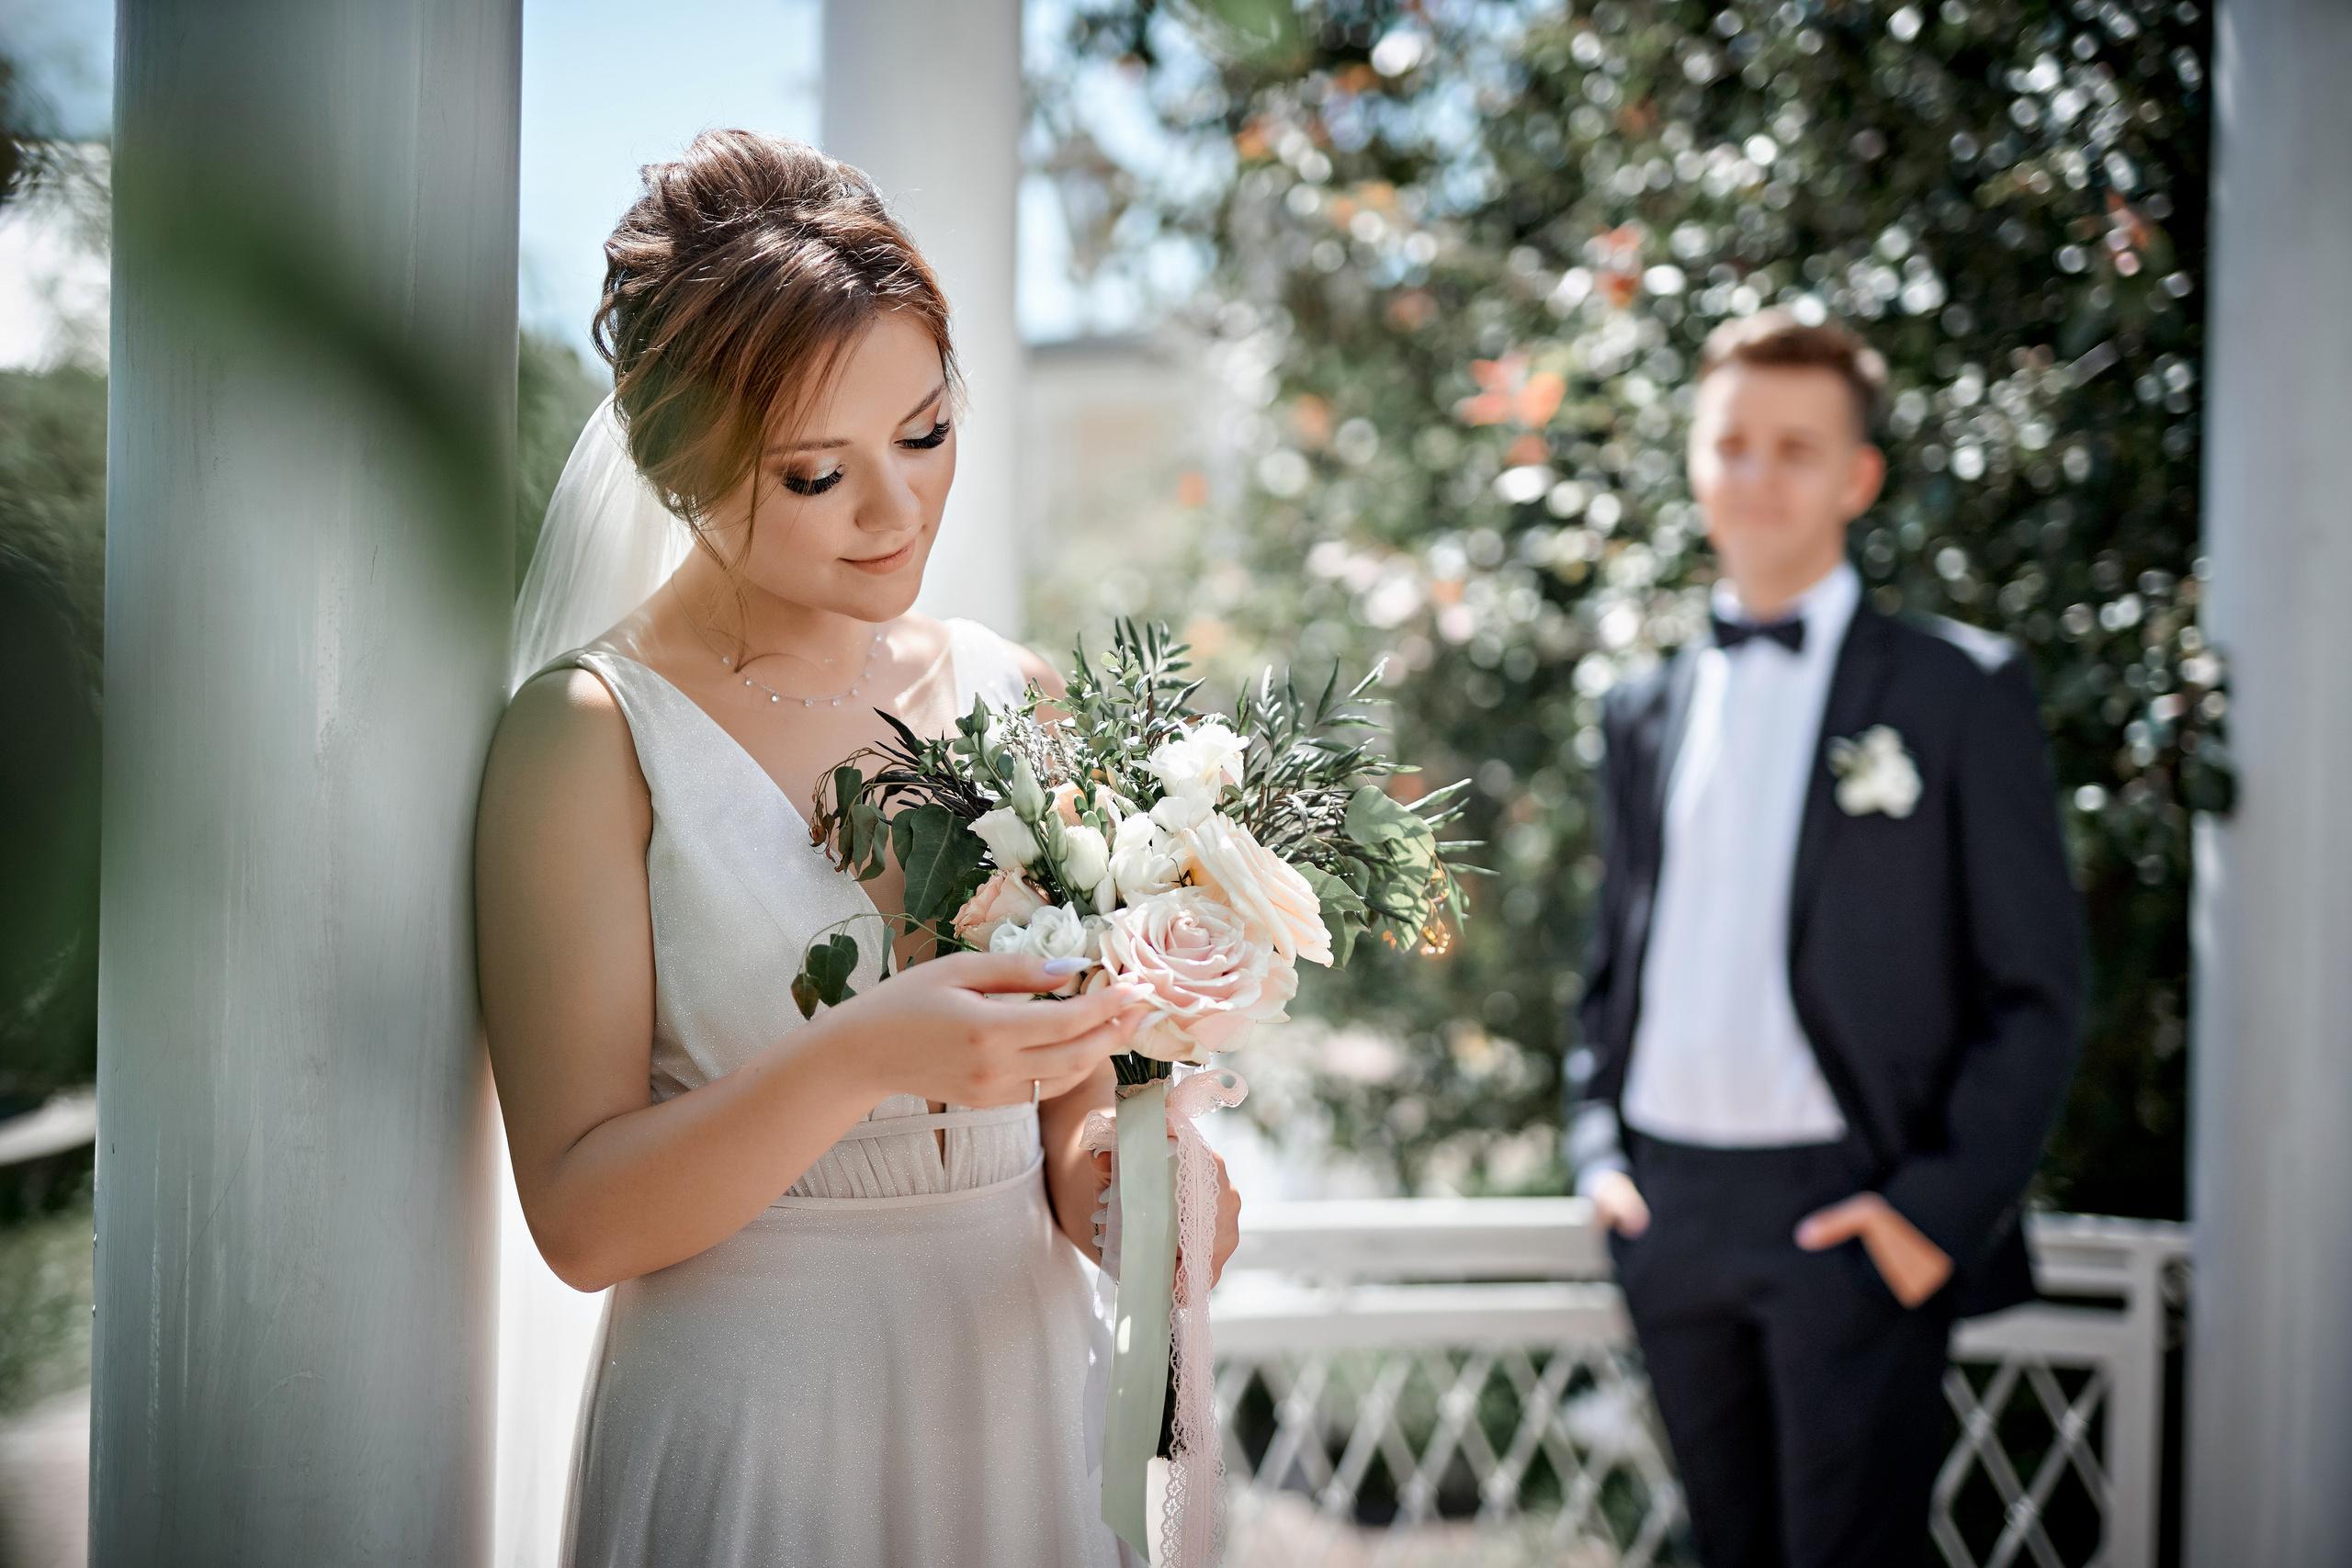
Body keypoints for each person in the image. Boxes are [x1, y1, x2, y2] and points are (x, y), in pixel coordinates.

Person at [475, 130, 1234, 1567]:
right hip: (759, 1421)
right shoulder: (588, 736)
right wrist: (867, 1056)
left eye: (927, 435)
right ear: (678, 458)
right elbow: (580, 1219)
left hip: (1013, 1398)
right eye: (818, 475)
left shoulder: (1018, 691)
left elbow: (1070, 1101)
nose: (896, 514)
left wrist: (1129, 1188)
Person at [1566, 310, 2084, 1566]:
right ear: (1694, 463)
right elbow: (1611, 966)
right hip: (1669, 1214)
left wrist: (1926, 1217)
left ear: (1858, 477)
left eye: (1795, 448)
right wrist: (1597, 1152)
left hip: (1851, 1214)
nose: (1755, 474)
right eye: (1729, 443)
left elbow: (2040, 990)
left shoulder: (1958, 693)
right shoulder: (1642, 707)